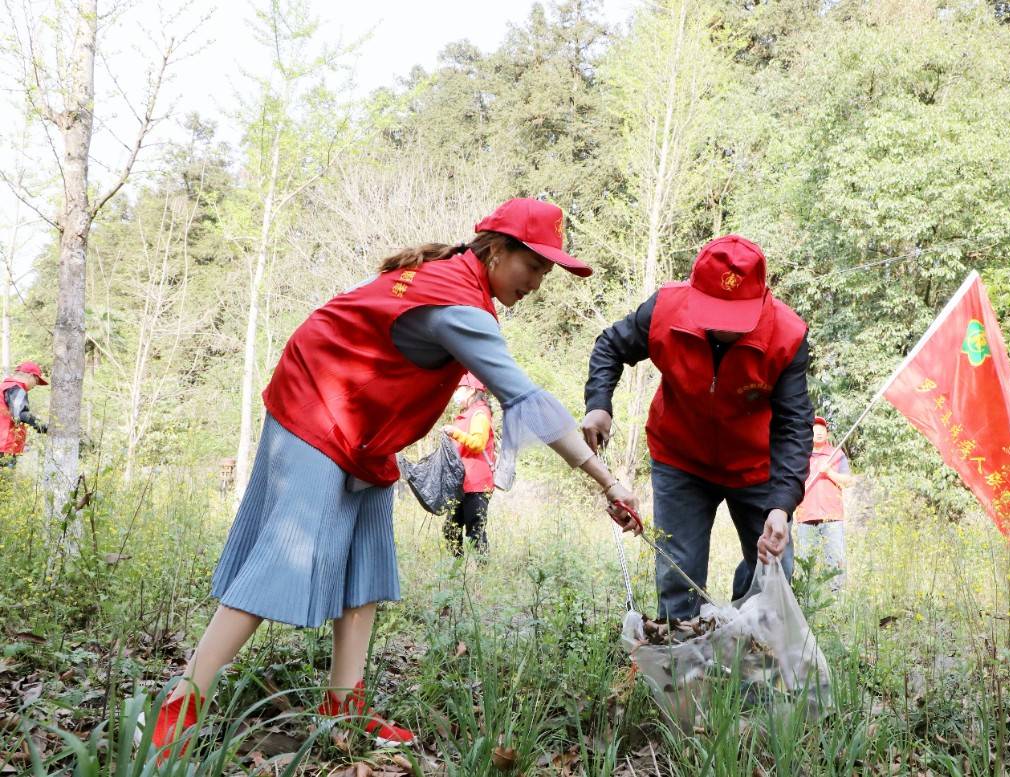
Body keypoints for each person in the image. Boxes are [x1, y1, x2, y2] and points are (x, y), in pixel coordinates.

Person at [148, 198, 641, 757]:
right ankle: (177, 708)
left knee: (366, 561)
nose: (539, 281)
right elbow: (527, 399)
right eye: (535, 266)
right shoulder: (456, 302)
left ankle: (344, 708)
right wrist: (609, 482)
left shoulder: (457, 283)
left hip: (364, 422)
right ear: (498, 250)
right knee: (281, 559)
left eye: (549, 272)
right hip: (317, 406)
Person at [582, 235, 814, 620]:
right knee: (679, 574)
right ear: (695, 292)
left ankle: (749, 661)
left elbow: (795, 426)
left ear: (761, 298)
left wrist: (781, 506)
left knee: (772, 571)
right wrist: (598, 405)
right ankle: (683, 669)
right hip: (680, 460)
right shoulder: (665, 310)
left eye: (735, 315)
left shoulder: (786, 336)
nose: (724, 328)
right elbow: (610, 346)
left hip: (756, 469)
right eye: (715, 313)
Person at [796, 416, 853, 592]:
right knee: (805, 563)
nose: (819, 433)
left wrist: (828, 472)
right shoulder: (800, 455)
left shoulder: (836, 454)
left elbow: (847, 481)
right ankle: (806, 600)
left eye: (822, 429)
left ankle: (837, 602)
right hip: (806, 517)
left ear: (827, 433)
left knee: (835, 561)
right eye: (814, 429)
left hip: (832, 517)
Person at [441, 372, 495, 555]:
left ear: (471, 390)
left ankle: (481, 576)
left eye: (459, 389)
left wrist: (454, 432)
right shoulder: (467, 414)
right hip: (462, 483)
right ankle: (455, 573)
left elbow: (478, 444)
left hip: (477, 484)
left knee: (475, 533)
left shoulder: (480, 413)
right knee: (451, 530)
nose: (456, 393)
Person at [1, 361, 49, 468]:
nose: (35, 385)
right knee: (5, 480)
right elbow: (20, 414)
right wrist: (41, 426)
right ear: (30, 376)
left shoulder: (3, 387)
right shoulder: (16, 388)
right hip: (4, 446)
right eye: (36, 381)